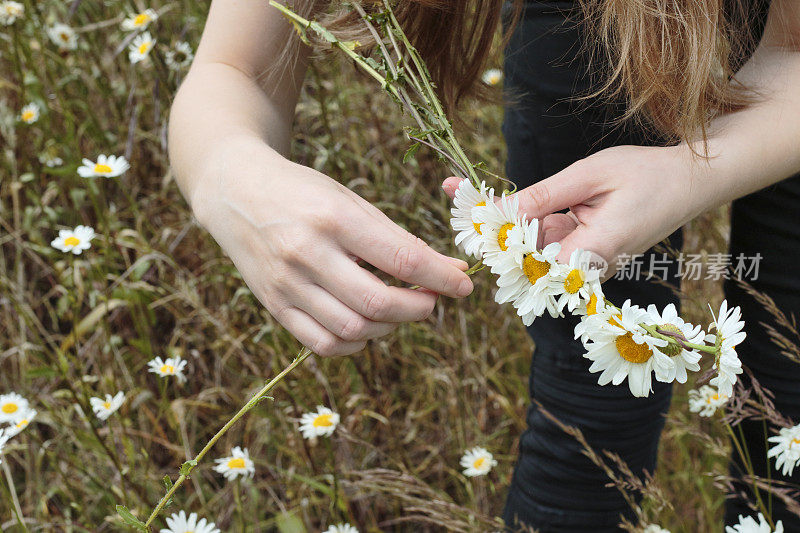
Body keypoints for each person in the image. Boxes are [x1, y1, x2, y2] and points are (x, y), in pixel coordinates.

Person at [168, 0, 800, 530]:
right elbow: (231, 69)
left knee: (788, 372)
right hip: (601, 24)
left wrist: (688, 175)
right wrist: (229, 173)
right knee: (588, 394)